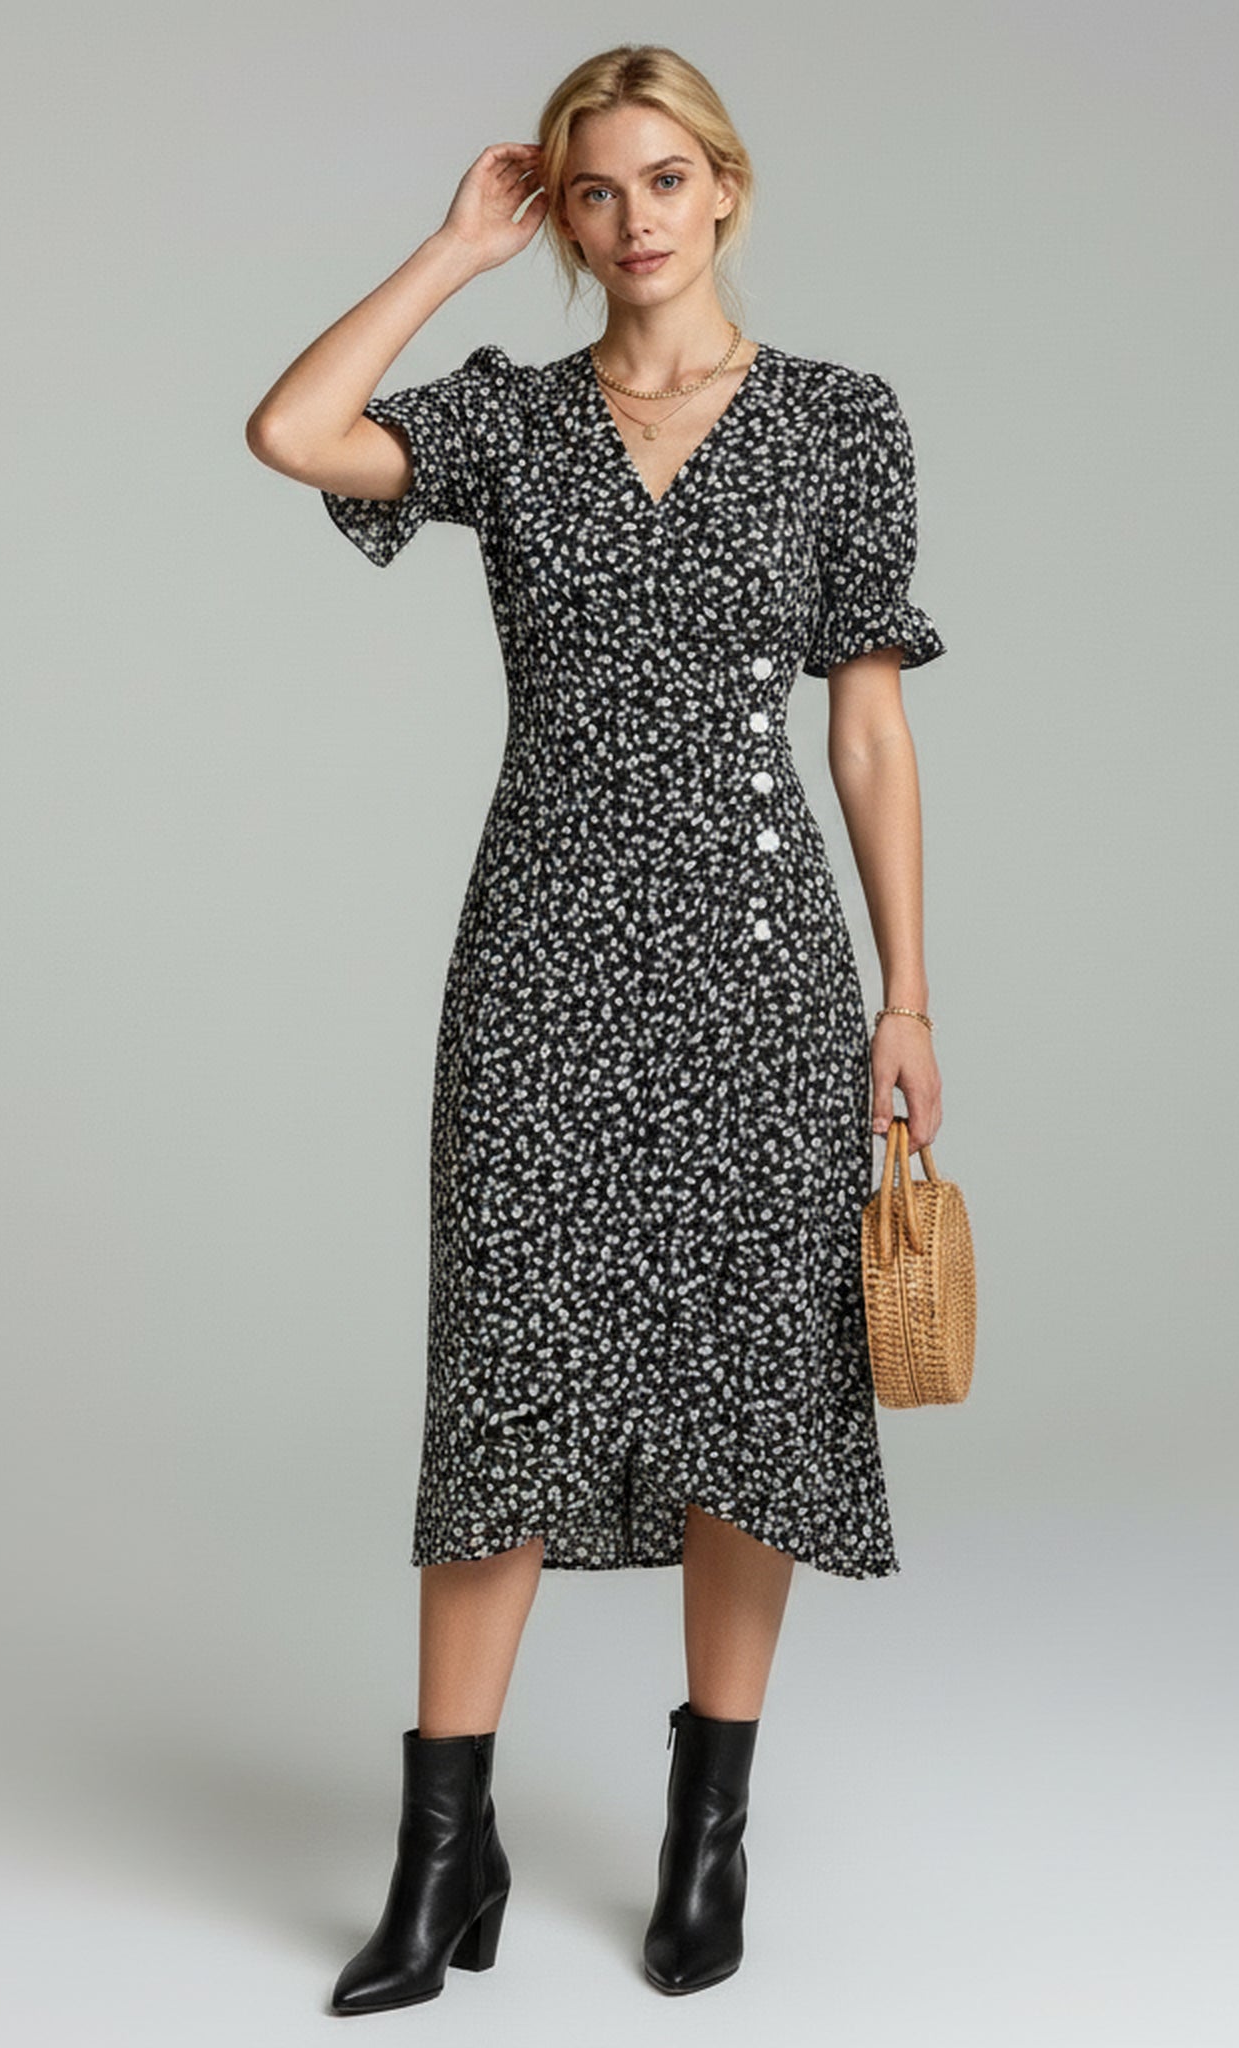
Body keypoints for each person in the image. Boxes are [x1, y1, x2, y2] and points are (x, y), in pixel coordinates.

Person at [245, 43, 947, 2016]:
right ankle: (441, 1845)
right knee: (508, 1387)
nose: (630, 219)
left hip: (761, 965)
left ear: (725, 187)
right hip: (543, 961)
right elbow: (292, 431)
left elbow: (869, 727)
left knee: (755, 1387)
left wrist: (904, 994)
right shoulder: (510, 432)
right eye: (587, 191)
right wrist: (448, 248)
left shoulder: (836, 423)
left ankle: (706, 1822)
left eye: (661, 177)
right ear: (559, 216)